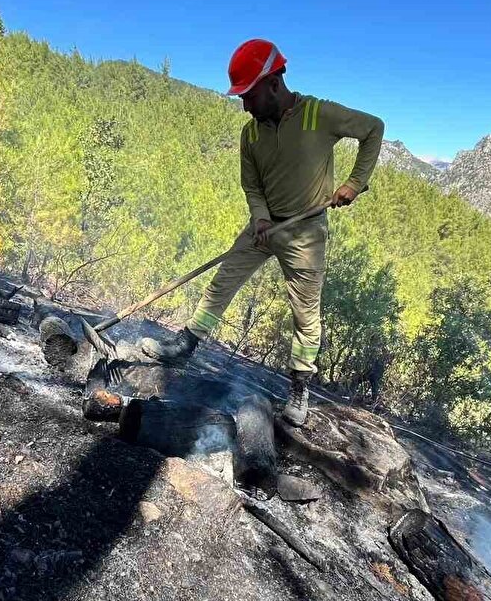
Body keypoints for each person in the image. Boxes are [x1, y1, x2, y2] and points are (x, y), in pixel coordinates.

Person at [141, 38, 385, 427]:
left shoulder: (319, 115)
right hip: (266, 225)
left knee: (306, 315)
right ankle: (185, 346)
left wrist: (354, 183)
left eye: (248, 95)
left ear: (274, 83)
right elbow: (252, 185)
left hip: (305, 231)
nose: (244, 105)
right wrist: (259, 219)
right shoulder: (250, 134)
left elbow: (374, 129)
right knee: (222, 283)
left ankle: (300, 388)